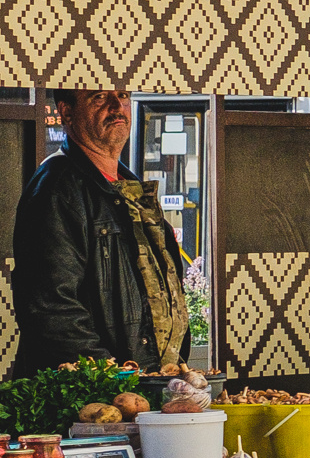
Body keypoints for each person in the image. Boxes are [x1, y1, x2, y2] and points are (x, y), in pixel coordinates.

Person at [12, 88, 190, 377]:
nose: (117, 106)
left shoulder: (128, 187)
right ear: (66, 112)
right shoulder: (57, 187)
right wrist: (115, 377)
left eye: (122, 95)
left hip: (148, 384)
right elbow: (51, 307)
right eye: (99, 97)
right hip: (95, 400)